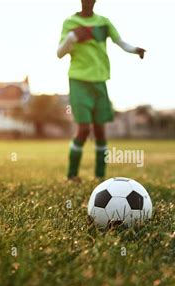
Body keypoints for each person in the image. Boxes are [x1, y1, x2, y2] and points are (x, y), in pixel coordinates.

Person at [57, 0, 145, 181]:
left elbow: (119, 42)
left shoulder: (103, 22)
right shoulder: (70, 23)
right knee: (83, 129)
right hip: (79, 81)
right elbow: (59, 53)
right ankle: (72, 175)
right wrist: (72, 37)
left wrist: (135, 50)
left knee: (100, 131)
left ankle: (100, 176)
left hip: (100, 81)